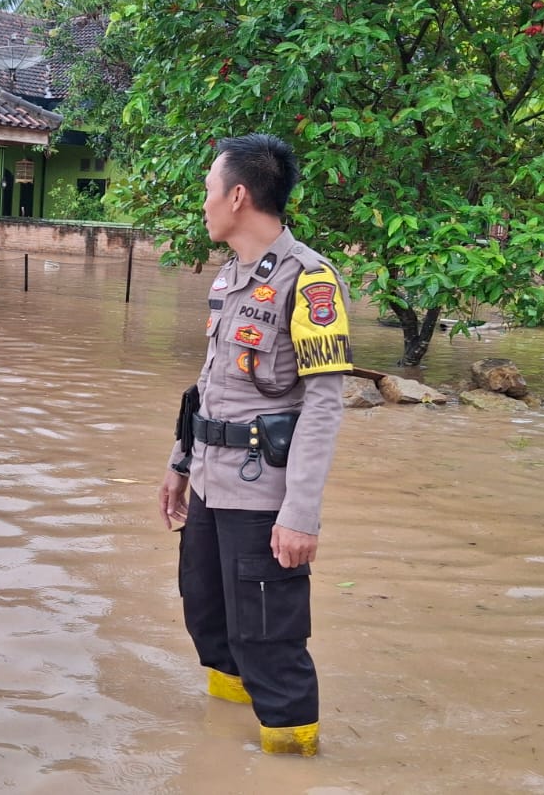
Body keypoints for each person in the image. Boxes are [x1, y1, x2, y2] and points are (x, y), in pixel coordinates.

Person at [157, 134, 352, 757]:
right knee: (207, 617)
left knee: (269, 637)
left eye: (209, 190)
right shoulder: (228, 277)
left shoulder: (313, 281)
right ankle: (224, 754)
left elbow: (324, 403)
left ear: (238, 196)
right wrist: (179, 463)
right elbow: (209, 386)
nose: (204, 203)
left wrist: (300, 514)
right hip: (210, 483)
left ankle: (292, 759)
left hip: (262, 494)